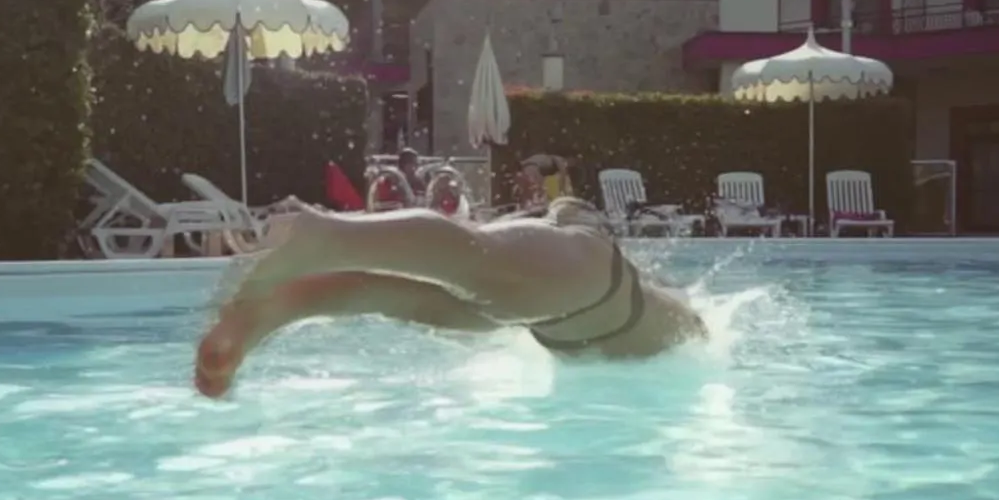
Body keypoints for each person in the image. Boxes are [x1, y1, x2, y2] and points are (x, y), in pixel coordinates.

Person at [192, 197, 708, 398]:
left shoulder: (575, 284)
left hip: (560, 314)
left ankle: (269, 314)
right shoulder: (674, 314)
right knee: (470, 258)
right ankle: (328, 233)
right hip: (594, 289)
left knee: (388, 294)